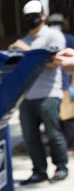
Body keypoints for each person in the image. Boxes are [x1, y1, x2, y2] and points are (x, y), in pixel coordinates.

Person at [10, 0, 68, 183]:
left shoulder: (53, 35)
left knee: (53, 134)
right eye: (27, 17)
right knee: (30, 137)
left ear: (43, 16)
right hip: (27, 96)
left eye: (34, 16)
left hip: (49, 93)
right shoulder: (24, 40)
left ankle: (61, 167)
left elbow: (55, 62)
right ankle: (39, 171)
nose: (31, 20)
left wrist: (27, 52)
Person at [47, 13, 74, 153]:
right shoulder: (51, 40)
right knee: (60, 119)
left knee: (68, 117)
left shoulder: (69, 39)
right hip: (56, 85)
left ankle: (71, 145)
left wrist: (72, 84)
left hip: (67, 84)